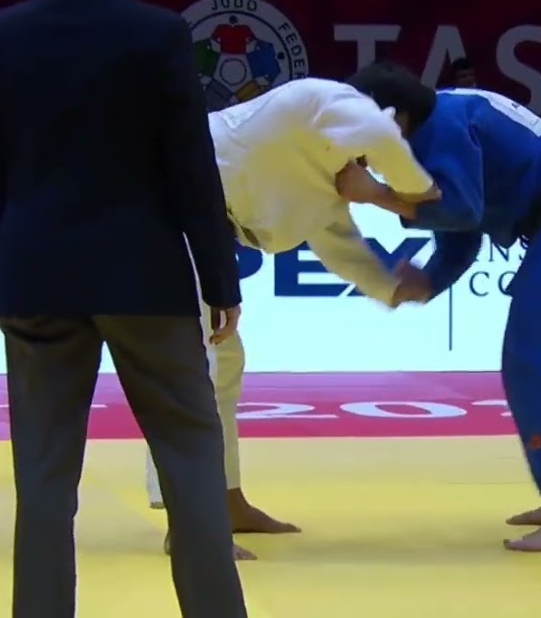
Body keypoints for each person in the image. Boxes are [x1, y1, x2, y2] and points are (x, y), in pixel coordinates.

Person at [0, 0, 247, 615]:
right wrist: (221, 279)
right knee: (191, 457)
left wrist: (7, 272)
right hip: (143, 278)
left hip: (36, 276)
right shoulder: (158, 34)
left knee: (43, 478)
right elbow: (191, 168)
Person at [344, 61, 541, 552]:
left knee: (537, 363)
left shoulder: (442, 127)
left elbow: (461, 210)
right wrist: (430, 281)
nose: (364, 155)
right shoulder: (440, 123)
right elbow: (462, 230)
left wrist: (374, 195)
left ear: (395, 119)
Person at [146, 77, 439, 558]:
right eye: (406, 134)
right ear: (388, 114)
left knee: (223, 362)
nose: (378, 157)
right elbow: (381, 134)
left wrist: (388, 288)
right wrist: (412, 192)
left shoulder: (332, 172)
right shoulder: (318, 102)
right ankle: (190, 523)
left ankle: (226, 501)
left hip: (203, 225)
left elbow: (337, 240)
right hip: (167, 207)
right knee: (198, 368)